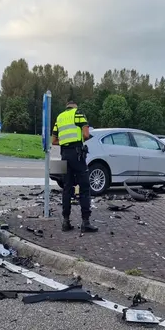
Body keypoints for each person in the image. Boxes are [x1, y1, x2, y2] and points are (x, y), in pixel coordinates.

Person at [51, 100, 98, 233]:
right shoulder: (78, 114)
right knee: (84, 187)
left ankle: (66, 222)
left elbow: (54, 141)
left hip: (63, 154)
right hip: (77, 154)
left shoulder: (59, 117)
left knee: (67, 188)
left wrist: (66, 142)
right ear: (75, 106)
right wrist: (78, 141)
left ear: (66, 107)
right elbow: (86, 134)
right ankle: (85, 222)